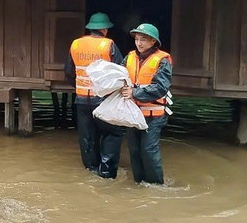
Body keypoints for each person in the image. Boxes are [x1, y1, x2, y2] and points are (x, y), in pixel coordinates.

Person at [64, 12, 125, 178]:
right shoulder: (108, 44)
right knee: (112, 132)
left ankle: (90, 169)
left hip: (82, 99)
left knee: (87, 135)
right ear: (104, 30)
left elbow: (69, 72)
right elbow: (119, 71)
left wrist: (79, 86)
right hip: (102, 99)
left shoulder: (76, 44)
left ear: (90, 29)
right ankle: (106, 172)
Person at [121, 23, 173, 185]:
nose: (139, 43)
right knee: (135, 151)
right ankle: (139, 184)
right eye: (137, 39)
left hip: (153, 116)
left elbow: (160, 87)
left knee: (149, 150)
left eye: (143, 39)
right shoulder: (129, 57)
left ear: (153, 42)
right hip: (132, 113)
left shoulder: (163, 60)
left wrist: (134, 93)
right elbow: (119, 76)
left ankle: (156, 186)